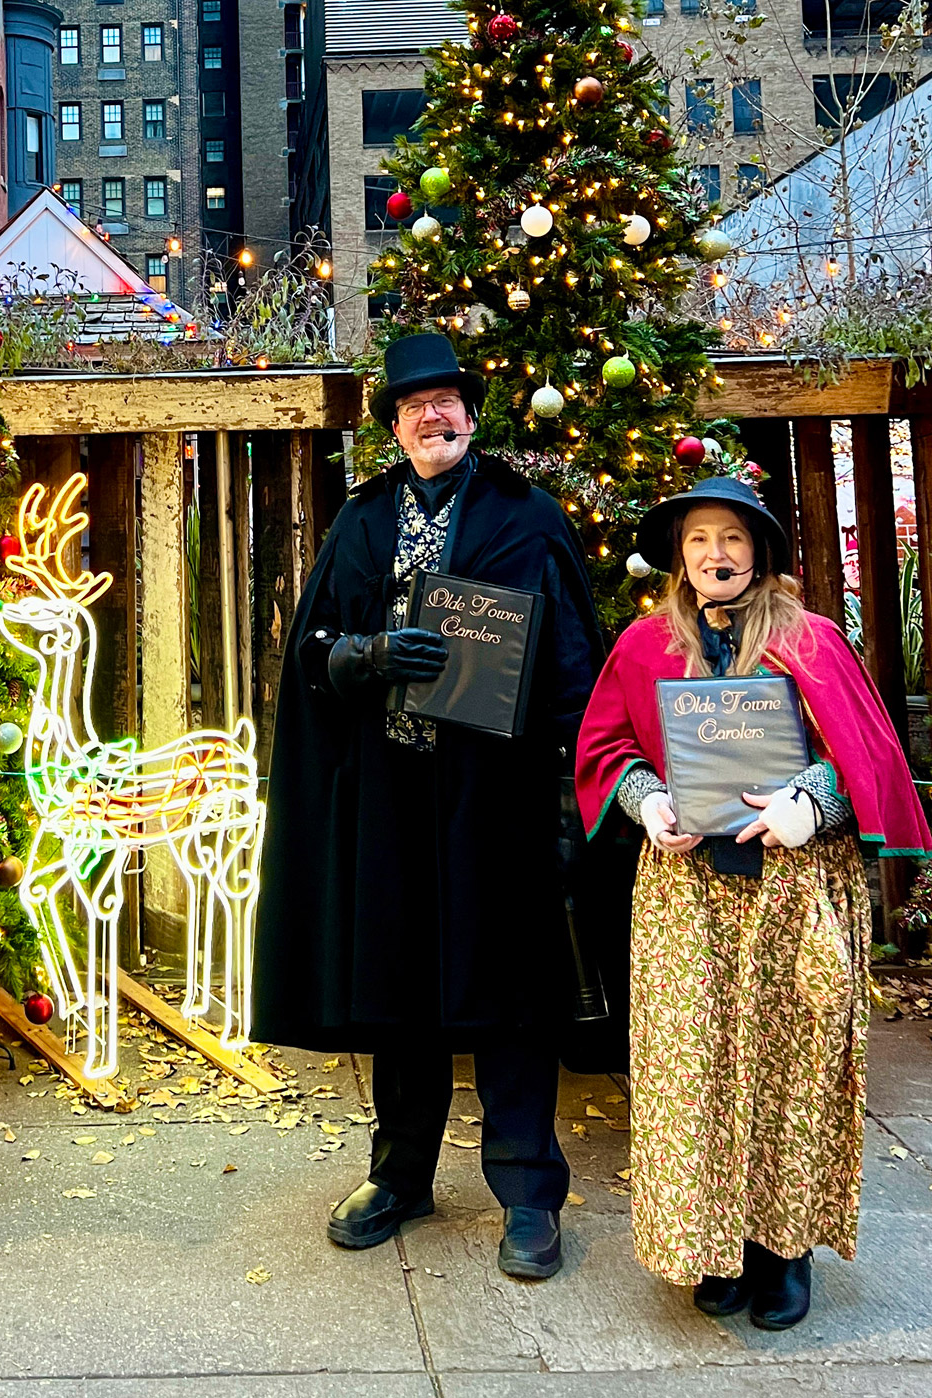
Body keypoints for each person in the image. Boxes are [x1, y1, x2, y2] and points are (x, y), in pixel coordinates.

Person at [253, 333, 604, 1279]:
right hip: (389, 798)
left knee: (511, 996)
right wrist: (361, 658)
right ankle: (402, 1174)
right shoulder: (362, 521)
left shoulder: (526, 517)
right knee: (399, 988)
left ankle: (530, 1192)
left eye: (445, 401)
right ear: (394, 426)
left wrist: (573, 793)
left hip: (498, 800)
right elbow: (309, 652)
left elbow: (575, 665)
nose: (431, 417)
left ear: (472, 413)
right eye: (412, 407)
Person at [576, 475, 931, 1329]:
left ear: (760, 553)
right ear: (679, 555)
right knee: (689, 1073)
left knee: (794, 1069)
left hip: (792, 890)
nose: (716, 555)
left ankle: (783, 1249)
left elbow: (864, 754)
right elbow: (605, 744)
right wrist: (646, 801)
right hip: (685, 898)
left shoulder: (810, 641)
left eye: (732, 538)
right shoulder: (642, 645)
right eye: (699, 539)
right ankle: (710, 1242)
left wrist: (813, 801)